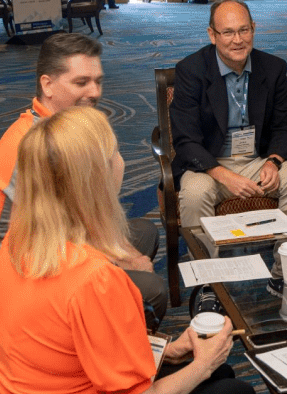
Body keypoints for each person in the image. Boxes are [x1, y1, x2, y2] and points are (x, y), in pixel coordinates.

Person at [0, 107, 257, 394]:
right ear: (98, 178)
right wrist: (202, 363)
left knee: (219, 377)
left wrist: (170, 350)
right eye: (116, 152)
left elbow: (75, 346)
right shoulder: (95, 279)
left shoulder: (15, 246)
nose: (124, 160)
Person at [0, 32, 167, 327]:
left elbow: (86, 213)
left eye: (98, 81)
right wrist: (122, 258)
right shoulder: (29, 143)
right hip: (42, 269)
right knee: (151, 290)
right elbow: (56, 237)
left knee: (144, 232)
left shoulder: (71, 128)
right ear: (47, 85)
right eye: (81, 82)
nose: (94, 92)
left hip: (70, 240)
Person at [170, 0, 287, 290]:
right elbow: (185, 140)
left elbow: (283, 126)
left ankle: (284, 275)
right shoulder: (190, 71)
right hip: (209, 164)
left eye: (244, 30)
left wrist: (274, 161)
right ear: (212, 35)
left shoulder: (273, 68)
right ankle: (209, 286)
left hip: (257, 160)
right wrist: (222, 174)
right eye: (228, 32)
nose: (237, 40)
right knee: (195, 194)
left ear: (254, 29)